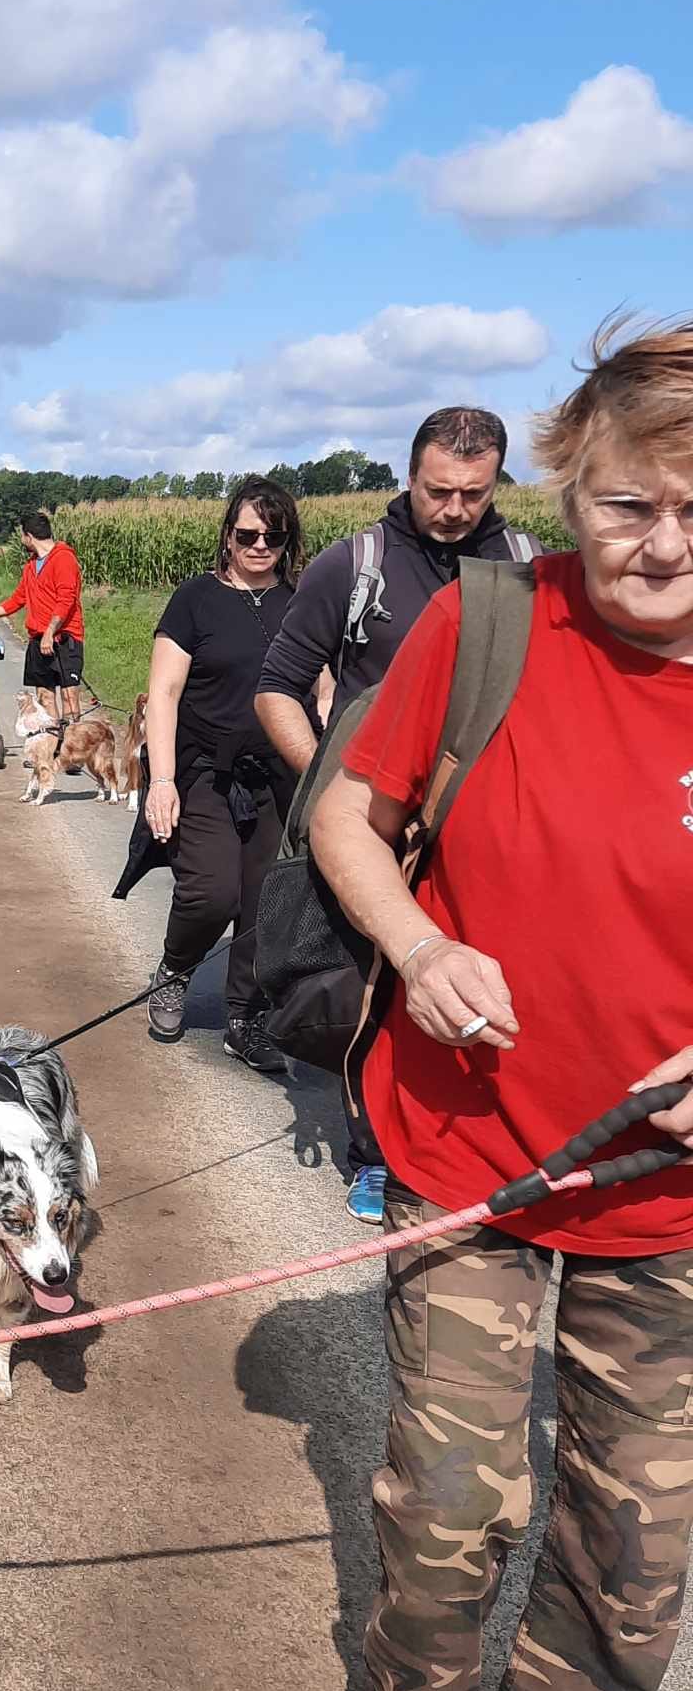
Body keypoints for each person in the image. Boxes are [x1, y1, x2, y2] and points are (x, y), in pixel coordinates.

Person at [301, 323, 693, 1691]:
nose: (666, 544)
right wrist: (417, 939)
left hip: (666, 1211)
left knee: (635, 1549)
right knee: (454, 1503)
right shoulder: (487, 628)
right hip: (467, 1155)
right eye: (629, 506)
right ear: (570, 489)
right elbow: (345, 807)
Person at [255, 407, 542, 1224]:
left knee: (477, 981)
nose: (454, 509)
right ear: (408, 476)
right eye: (437, 491)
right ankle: (374, 1155)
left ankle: (480, 1140)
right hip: (378, 826)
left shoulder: (527, 569)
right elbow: (278, 686)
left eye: (473, 494)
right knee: (371, 992)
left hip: (483, 829)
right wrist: (332, 792)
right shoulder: (356, 566)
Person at [114, 478, 304, 1075]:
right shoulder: (194, 599)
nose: (259, 546)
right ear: (227, 536)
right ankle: (175, 969)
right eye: (247, 535)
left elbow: (320, 688)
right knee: (211, 891)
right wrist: (162, 781)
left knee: (261, 902)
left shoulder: (297, 602)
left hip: (273, 776)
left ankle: (244, 1016)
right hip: (202, 773)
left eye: (273, 537)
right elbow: (165, 693)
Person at [0, 512, 85, 724]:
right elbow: (17, 599)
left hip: (64, 639)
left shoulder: (64, 558)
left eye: (22, 535)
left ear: (29, 536)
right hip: (38, 639)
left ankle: (71, 749)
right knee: (45, 697)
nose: (22, 540)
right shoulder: (31, 566)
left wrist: (50, 632)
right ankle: (53, 748)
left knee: (70, 698)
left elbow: (66, 599)